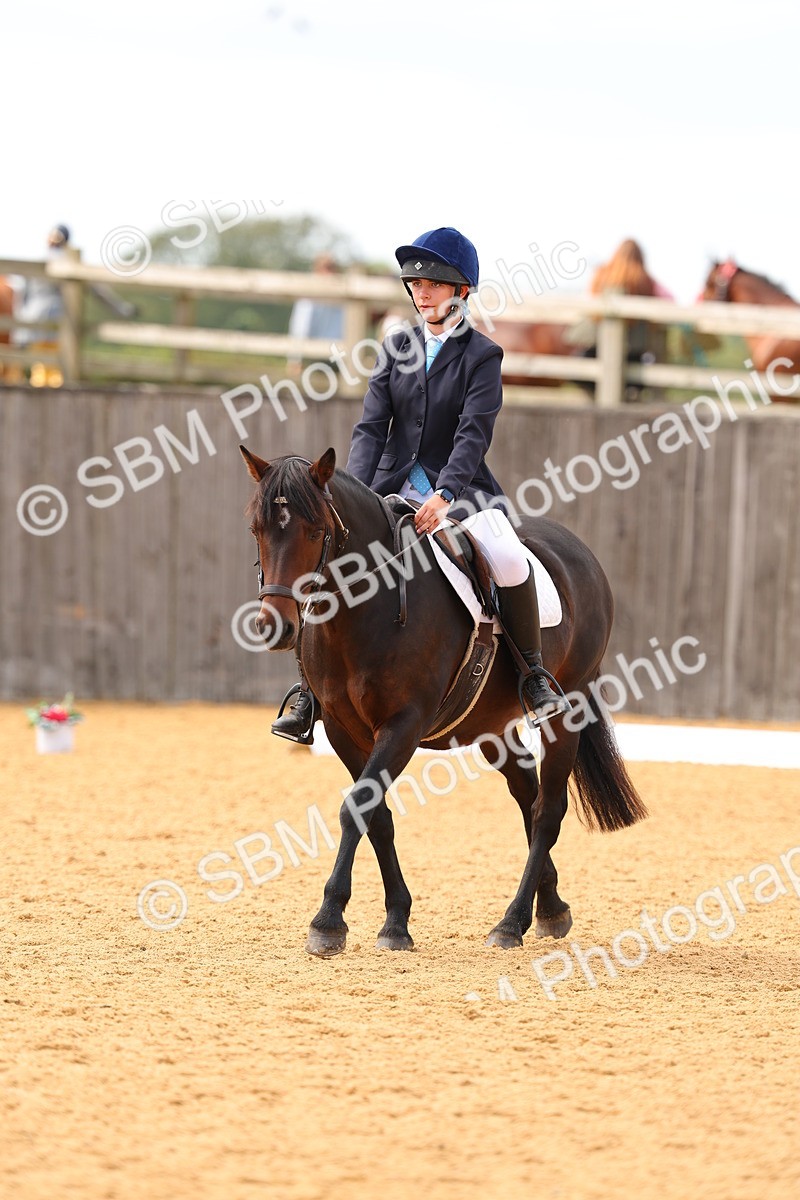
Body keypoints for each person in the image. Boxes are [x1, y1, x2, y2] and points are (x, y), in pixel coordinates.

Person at [272, 226, 570, 743]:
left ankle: (534, 677)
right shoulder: (395, 349)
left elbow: (473, 434)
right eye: (415, 282)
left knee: (506, 555)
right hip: (385, 489)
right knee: (328, 559)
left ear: (461, 291)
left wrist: (447, 494)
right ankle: (307, 692)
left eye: (433, 282)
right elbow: (370, 428)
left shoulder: (482, 356)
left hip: (460, 491)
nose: (421, 291)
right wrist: (351, 494)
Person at [286, 253, 346, 377]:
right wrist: (295, 360)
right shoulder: (309, 295)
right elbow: (300, 327)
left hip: (337, 358)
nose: (329, 274)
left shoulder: (342, 295)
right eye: (327, 268)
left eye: (331, 268)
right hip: (314, 357)